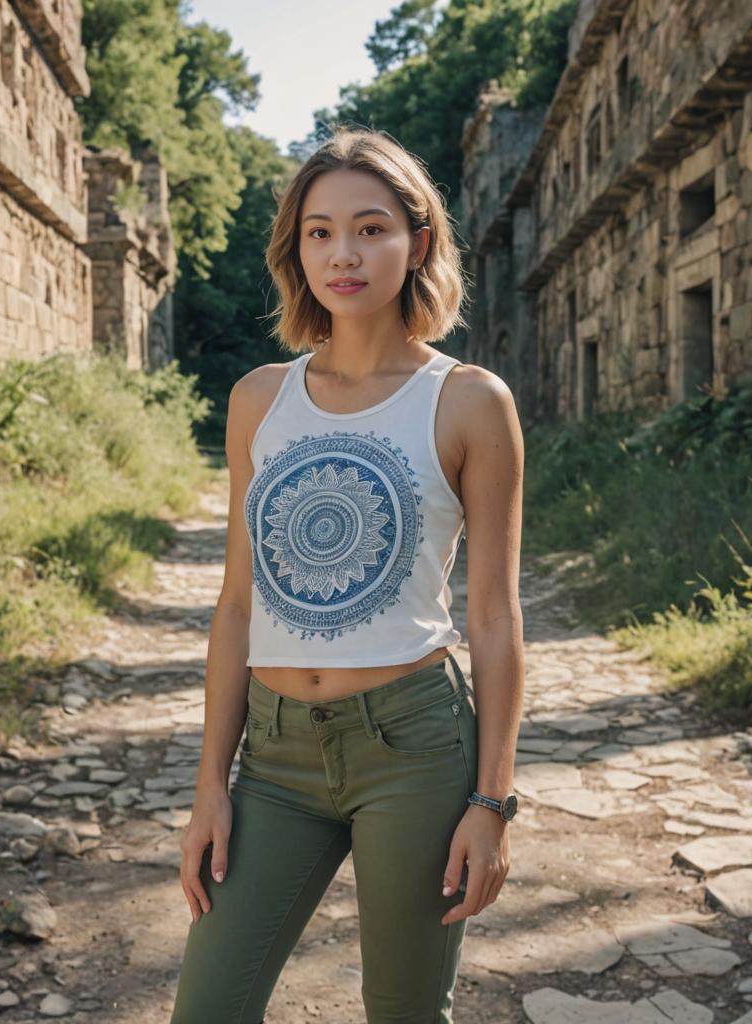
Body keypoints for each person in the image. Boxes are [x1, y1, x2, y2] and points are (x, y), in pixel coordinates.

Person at [169, 124, 524, 1024]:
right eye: (319, 232)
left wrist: (492, 802)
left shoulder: (469, 401)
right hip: (276, 755)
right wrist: (212, 783)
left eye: (371, 228)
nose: (345, 254)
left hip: (413, 747)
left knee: (404, 1011)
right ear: (296, 250)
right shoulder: (259, 400)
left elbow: (493, 617)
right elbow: (238, 601)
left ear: (419, 241)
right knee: (208, 1008)